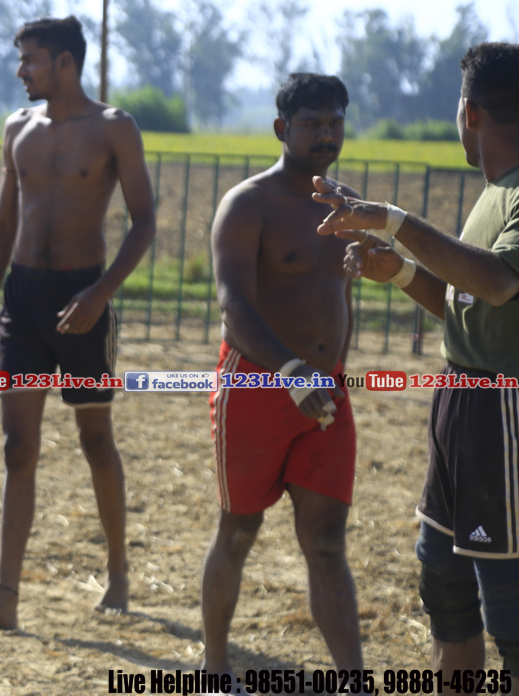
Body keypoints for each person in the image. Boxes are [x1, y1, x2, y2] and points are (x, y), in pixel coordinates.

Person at [314, 42, 519, 675]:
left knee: (511, 622)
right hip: (460, 409)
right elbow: (468, 305)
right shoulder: (495, 192)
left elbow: (498, 282)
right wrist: (398, 268)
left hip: (503, 417)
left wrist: (394, 219)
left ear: (470, 112)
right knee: (447, 600)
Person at [0, 16, 155, 630]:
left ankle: (118, 573)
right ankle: (5, 597)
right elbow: (2, 223)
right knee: (18, 448)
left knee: (95, 440)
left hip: (83, 300)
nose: (21, 71)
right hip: (23, 303)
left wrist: (100, 293)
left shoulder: (114, 127)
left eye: (31, 60)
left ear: (65, 61)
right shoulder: (18, 127)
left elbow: (144, 221)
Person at [203, 73, 364, 678]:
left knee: (326, 542)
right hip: (257, 389)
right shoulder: (248, 204)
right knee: (238, 530)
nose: (326, 135)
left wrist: (328, 370)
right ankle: (216, 670)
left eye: (335, 122)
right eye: (312, 124)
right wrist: (292, 371)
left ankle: (354, 683)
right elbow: (233, 305)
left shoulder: (346, 205)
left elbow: (340, 295)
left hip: (326, 394)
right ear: (282, 129)